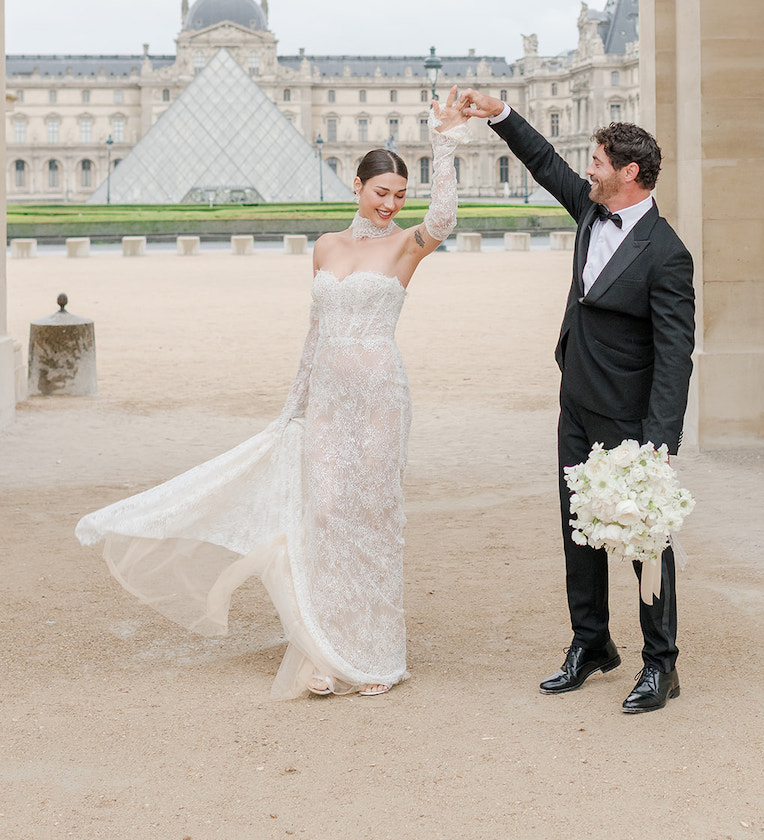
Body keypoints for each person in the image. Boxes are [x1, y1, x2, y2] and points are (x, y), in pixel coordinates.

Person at [76, 88, 470, 699]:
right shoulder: (326, 247)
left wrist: (445, 142)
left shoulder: (406, 245)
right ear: (357, 187)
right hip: (330, 401)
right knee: (326, 516)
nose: (391, 205)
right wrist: (294, 411)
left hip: (380, 397)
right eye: (380, 192)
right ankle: (323, 650)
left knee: (374, 520)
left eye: (399, 194)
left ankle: (375, 655)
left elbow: (443, 219)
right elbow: (314, 337)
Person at [460, 89, 694, 714]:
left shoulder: (669, 255)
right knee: (578, 532)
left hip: (629, 418)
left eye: (596, 161)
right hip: (577, 406)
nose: (586, 169)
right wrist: (499, 113)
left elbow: (676, 354)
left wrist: (659, 442)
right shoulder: (590, 211)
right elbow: (544, 162)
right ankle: (591, 644)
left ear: (628, 173)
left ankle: (660, 663)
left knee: (645, 542)